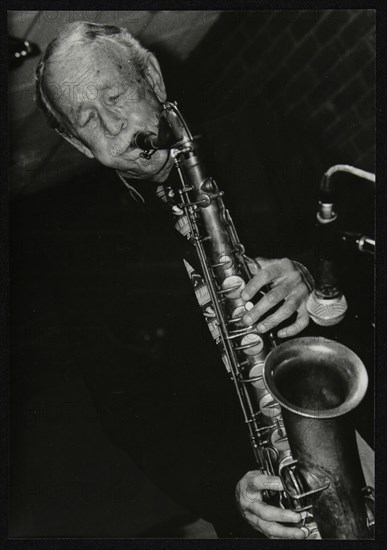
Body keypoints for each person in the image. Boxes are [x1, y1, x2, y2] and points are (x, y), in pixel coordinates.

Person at [34, 21, 315, 539]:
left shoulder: (261, 138)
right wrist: (227, 488)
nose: (115, 126)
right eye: (88, 120)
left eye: (116, 95)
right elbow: (132, 417)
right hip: (267, 492)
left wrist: (310, 274)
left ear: (154, 80)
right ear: (76, 143)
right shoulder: (86, 262)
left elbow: (349, 239)